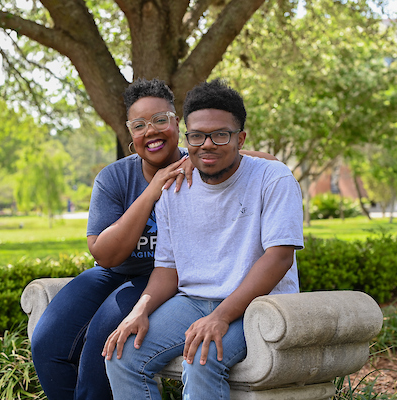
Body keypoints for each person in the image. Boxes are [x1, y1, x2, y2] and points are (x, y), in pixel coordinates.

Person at [31, 78, 277, 399]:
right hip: (116, 271)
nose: (151, 131)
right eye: (139, 125)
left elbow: (268, 163)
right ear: (130, 134)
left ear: (177, 123)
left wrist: (197, 154)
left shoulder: (205, 161)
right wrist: (153, 189)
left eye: (161, 120)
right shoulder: (114, 177)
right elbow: (105, 256)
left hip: (168, 274)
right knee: (47, 341)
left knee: (105, 338)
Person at [103, 79, 304, 400]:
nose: (206, 144)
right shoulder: (174, 187)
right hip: (193, 301)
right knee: (123, 354)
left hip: (259, 303)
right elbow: (168, 269)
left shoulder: (273, 178)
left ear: (240, 138)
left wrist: (221, 317)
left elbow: (279, 257)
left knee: (202, 356)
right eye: (196, 136)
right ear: (187, 137)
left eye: (220, 135)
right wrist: (139, 310)